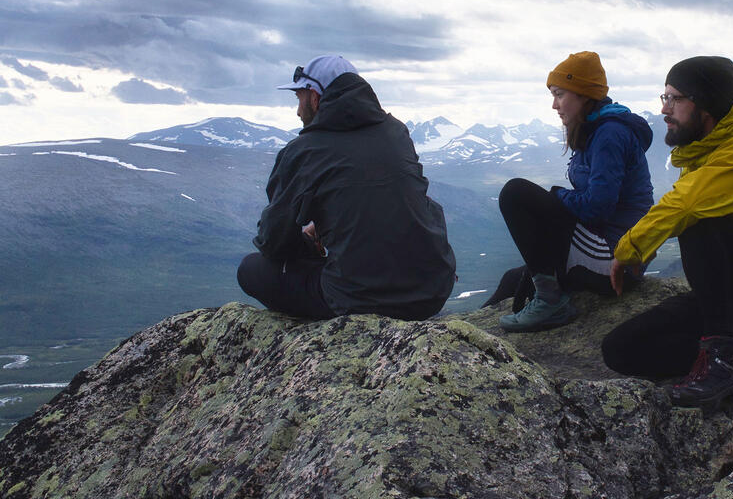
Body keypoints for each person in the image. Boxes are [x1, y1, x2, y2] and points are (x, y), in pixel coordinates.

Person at [602, 56, 733, 424]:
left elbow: (685, 203)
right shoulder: (704, 150)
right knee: (620, 350)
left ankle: (725, 359)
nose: (664, 109)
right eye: (664, 97)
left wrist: (628, 249)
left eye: (674, 98)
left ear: (705, 104)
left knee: (699, 220)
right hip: (732, 296)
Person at [237, 55, 457, 321]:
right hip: (431, 294)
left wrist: (306, 242)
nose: (297, 111)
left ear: (316, 97)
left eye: (299, 99)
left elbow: (273, 242)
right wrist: (328, 222)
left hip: (357, 302)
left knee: (250, 269)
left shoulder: (304, 151)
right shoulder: (396, 132)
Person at [487, 51, 654, 332]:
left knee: (516, 193)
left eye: (559, 94)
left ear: (583, 94)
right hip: (602, 243)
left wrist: (557, 196)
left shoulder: (609, 133)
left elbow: (596, 207)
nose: (554, 105)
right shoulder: (596, 129)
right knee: (512, 279)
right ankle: (466, 336)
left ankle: (551, 303)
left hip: (615, 257)